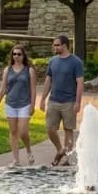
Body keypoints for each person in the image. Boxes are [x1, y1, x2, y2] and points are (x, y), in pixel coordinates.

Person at [38, 34, 84, 166]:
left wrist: (78, 102)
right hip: (53, 101)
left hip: (69, 102)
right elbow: (48, 80)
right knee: (50, 129)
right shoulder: (53, 61)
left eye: (57, 45)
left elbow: (80, 83)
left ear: (65, 45)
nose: (55, 47)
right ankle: (60, 150)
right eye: (54, 45)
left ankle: (66, 159)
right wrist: (42, 99)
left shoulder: (76, 62)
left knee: (68, 130)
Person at [0, 45, 37, 166]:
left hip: (24, 104)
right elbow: (3, 88)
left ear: (23, 56)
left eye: (19, 54)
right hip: (10, 104)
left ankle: (28, 150)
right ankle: (16, 160)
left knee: (23, 132)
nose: (16, 56)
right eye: (14, 54)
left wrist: (33, 105)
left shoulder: (29, 70)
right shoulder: (8, 70)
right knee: (13, 132)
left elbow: (33, 89)